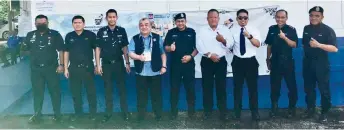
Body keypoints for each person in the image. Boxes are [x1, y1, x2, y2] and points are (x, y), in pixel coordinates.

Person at [22, 14, 64, 123]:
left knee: (55, 92)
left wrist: (62, 65)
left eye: (43, 23)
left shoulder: (55, 34)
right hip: (36, 70)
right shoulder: (30, 35)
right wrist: (33, 54)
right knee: (37, 93)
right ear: (35, 24)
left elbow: (61, 50)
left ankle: (57, 114)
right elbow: (23, 50)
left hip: (51, 69)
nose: (41, 24)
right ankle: (37, 115)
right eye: (39, 23)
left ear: (47, 23)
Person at [301, 6, 338, 122]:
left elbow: (335, 49)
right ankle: (310, 109)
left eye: (317, 16)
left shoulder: (328, 30)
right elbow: (304, 44)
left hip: (321, 64)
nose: (313, 18)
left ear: (322, 17)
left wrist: (319, 45)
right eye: (311, 15)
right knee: (309, 89)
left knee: (324, 89)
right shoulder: (306, 28)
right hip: (308, 63)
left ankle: (324, 112)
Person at [196, 9, 233, 121]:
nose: (213, 19)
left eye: (215, 17)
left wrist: (223, 40)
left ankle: (223, 111)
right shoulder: (202, 30)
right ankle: (207, 111)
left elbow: (230, 44)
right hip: (207, 60)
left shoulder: (225, 29)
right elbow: (199, 45)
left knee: (221, 87)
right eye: (211, 17)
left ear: (218, 18)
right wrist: (210, 55)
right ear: (207, 19)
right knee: (207, 87)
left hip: (221, 61)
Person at [95, 9, 131, 123]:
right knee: (108, 90)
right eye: (109, 17)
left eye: (113, 17)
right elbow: (98, 48)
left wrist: (128, 63)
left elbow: (125, 48)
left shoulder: (122, 30)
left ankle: (125, 112)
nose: (112, 19)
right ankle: (108, 113)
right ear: (106, 18)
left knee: (122, 90)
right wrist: (98, 65)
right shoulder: (101, 31)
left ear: (117, 17)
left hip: (119, 64)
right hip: (106, 65)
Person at [128, 17, 167, 121]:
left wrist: (164, 66)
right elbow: (130, 53)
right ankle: (141, 116)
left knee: (156, 96)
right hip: (141, 73)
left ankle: (158, 115)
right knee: (141, 97)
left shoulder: (157, 37)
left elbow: (162, 53)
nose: (144, 27)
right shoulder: (135, 38)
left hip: (155, 72)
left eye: (146, 24)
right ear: (139, 27)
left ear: (150, 26)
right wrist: (138, 57)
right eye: (141, 25)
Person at [265, 9, 298, 118]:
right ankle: (274, 109)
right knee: (274, 87)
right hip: (275, 62)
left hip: (288, 62)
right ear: (275, 18)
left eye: (282, 17)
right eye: (278, 17)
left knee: (291, 87)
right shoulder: (271, 29)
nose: (280, 19)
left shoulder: (291, 30)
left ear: (286, 18)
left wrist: (285, 38)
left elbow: (294, 45)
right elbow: (269, 45)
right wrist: (267, 59)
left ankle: (291, 109)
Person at [164, 13, 198, 119]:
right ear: (175, 22)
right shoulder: (171, 32)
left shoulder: (191, 32)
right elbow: (165, 47)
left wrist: (190, 57)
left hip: (189, 65)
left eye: (182, 21)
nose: (180, 23)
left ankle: (191, 112)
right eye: (178, 21)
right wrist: (170, 48)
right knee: (174, 89)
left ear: (185, 21)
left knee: (190, 89)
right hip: (175, 65)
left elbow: (197, 48)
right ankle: (174, 112)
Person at [64, 15, 97, 122]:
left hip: (88, 68)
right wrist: (65, 68)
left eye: (79, 22)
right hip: (73, 68)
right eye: (75, 23)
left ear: (84, 24)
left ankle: (93, 114)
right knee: (75, 92)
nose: (77, 24)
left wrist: (97, 65)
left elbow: (97, 50)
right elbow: (66, 52)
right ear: (73, 24)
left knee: (90, 92)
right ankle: (78, 113)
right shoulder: (69, 36)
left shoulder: (91, 35)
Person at [230, 9, 261, 121]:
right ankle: (237, 113)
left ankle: (254, 112)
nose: (243, 20)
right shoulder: (232, 30)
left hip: (251, 62)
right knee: (237, 89)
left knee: (253, 89)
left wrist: (249, 36)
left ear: (248, 18)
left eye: (245, 18)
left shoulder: (254, 29)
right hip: (238, 61)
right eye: (240, 18)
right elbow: (229, 45)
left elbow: (257, 44)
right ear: (237, 18)